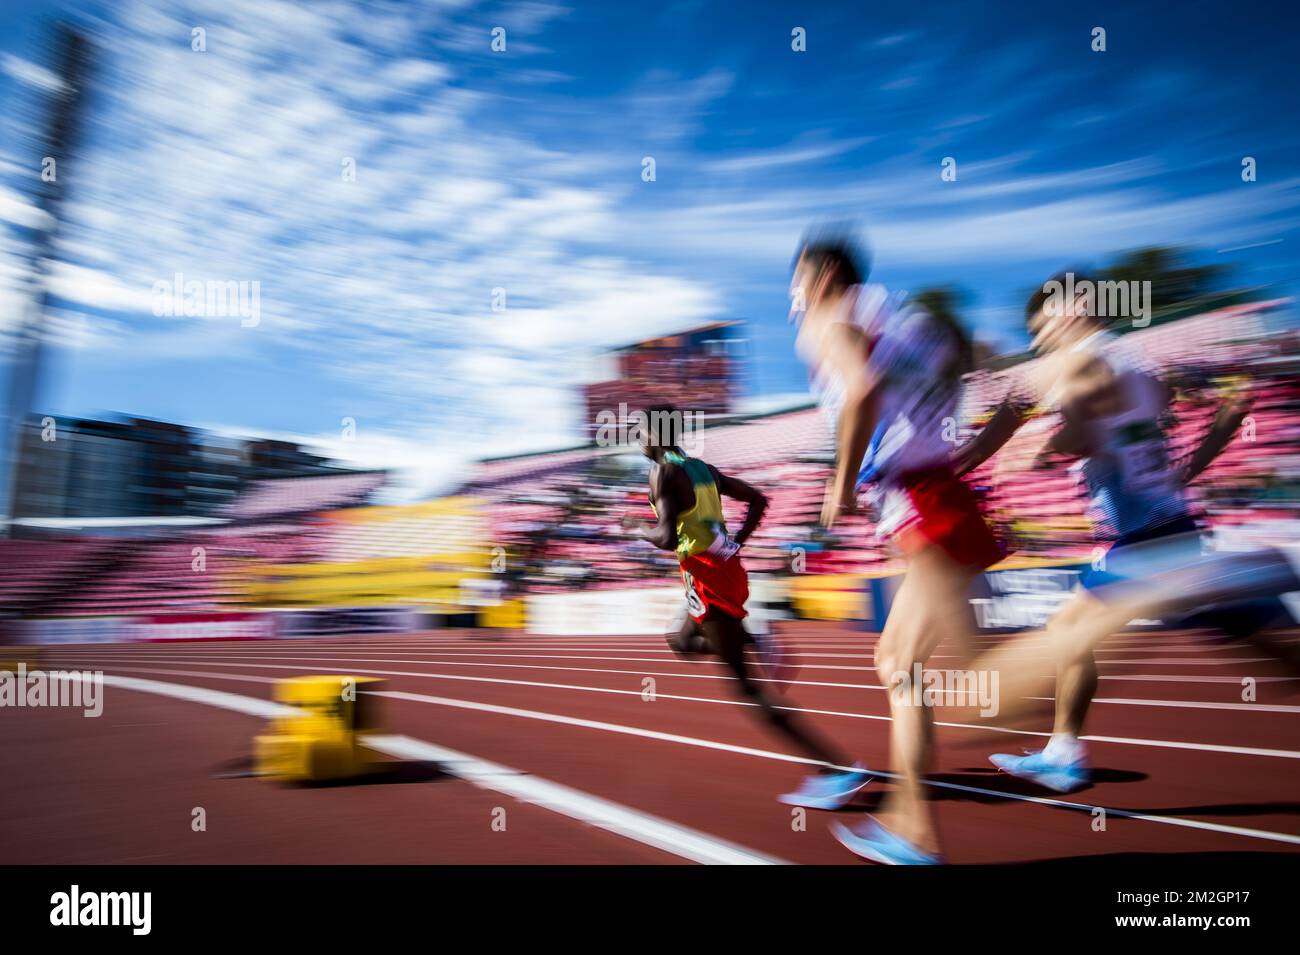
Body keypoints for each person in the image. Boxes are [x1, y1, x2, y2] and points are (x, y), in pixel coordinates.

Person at [950, 272, 1299, 792]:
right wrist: (1182, 471)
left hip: (1148, 538)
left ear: (1073, 310)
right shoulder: (1141, 365)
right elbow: (1231, 408)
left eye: (1041, 328)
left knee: (1069, 630)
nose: (1039, 342)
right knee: (1265, 646)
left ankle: (1063, 755)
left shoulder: (1085, 364)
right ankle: (1063, 751)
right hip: (1169, 526)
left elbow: (1083, 427)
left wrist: (1041, 448)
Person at [791, 234, 1005, 863]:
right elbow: (960, 362)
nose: (793, 301)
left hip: (920, 499)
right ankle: (913, 830)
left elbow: (860, 392)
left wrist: (840, 483)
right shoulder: (905, 316)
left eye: (796, 284)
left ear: (826, 274)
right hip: (942, 492)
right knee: (899, 663)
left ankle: (1104, 628)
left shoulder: (832, 320)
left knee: (981, 679)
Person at [624, 403, 870, 810]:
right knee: (681, 641)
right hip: (725, 570)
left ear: (655, 435)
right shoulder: (702, 468)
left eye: (639, 432)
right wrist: (736, 541)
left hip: (707, 578)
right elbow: (758, 499)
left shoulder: (663, 472)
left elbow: (667, 537)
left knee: (747, 688)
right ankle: (753, 638)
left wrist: (636, 527)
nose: (636, 440)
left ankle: (836, 769)